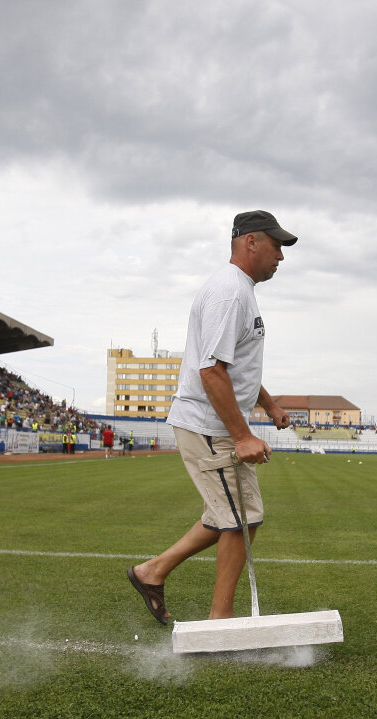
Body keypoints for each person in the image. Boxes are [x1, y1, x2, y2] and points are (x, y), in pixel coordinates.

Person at [127, 210, 295, 625]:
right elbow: (211, 370)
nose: (281, 256)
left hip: (217, 425)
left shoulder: (241, 291)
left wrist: (268, 405)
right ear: (251, 242)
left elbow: (235, 367)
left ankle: (152, 572)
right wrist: (242, 436)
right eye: (276, 246)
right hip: (208, 426)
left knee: (235, 515)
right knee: (239, 519)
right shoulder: (229, 292)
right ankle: (221, 618)